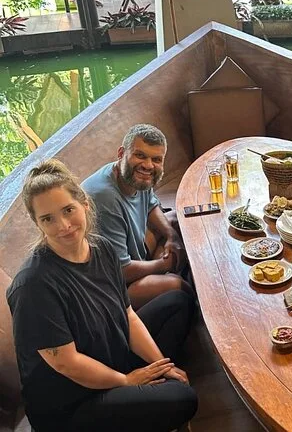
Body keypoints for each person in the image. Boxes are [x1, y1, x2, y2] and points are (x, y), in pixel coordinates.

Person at [6, 159, 197, 432]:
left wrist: (161, 365)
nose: (63, 225)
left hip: (109, 356)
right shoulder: (32, 286)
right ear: (38, 223)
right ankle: (150, 401)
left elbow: (128, 316)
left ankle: (152, 394)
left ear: (84, 204)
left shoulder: (102, 248)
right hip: (73, 403)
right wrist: (126, 381)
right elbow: (67, 364)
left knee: (178, 303)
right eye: (48, 218)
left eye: (68, 210)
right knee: (184, 398)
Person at [82, 124, 190, 308]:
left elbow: (151, 206)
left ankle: (170, 271)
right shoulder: (105, 198)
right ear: (121, 153)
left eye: (156, 159)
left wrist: (171, 236)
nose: (148, 165)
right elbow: (122, 270)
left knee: (177, 221)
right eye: (140, 155)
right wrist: (164, 264)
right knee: (177, 285)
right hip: (111, 287)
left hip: (132, 254)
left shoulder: (136, 177)